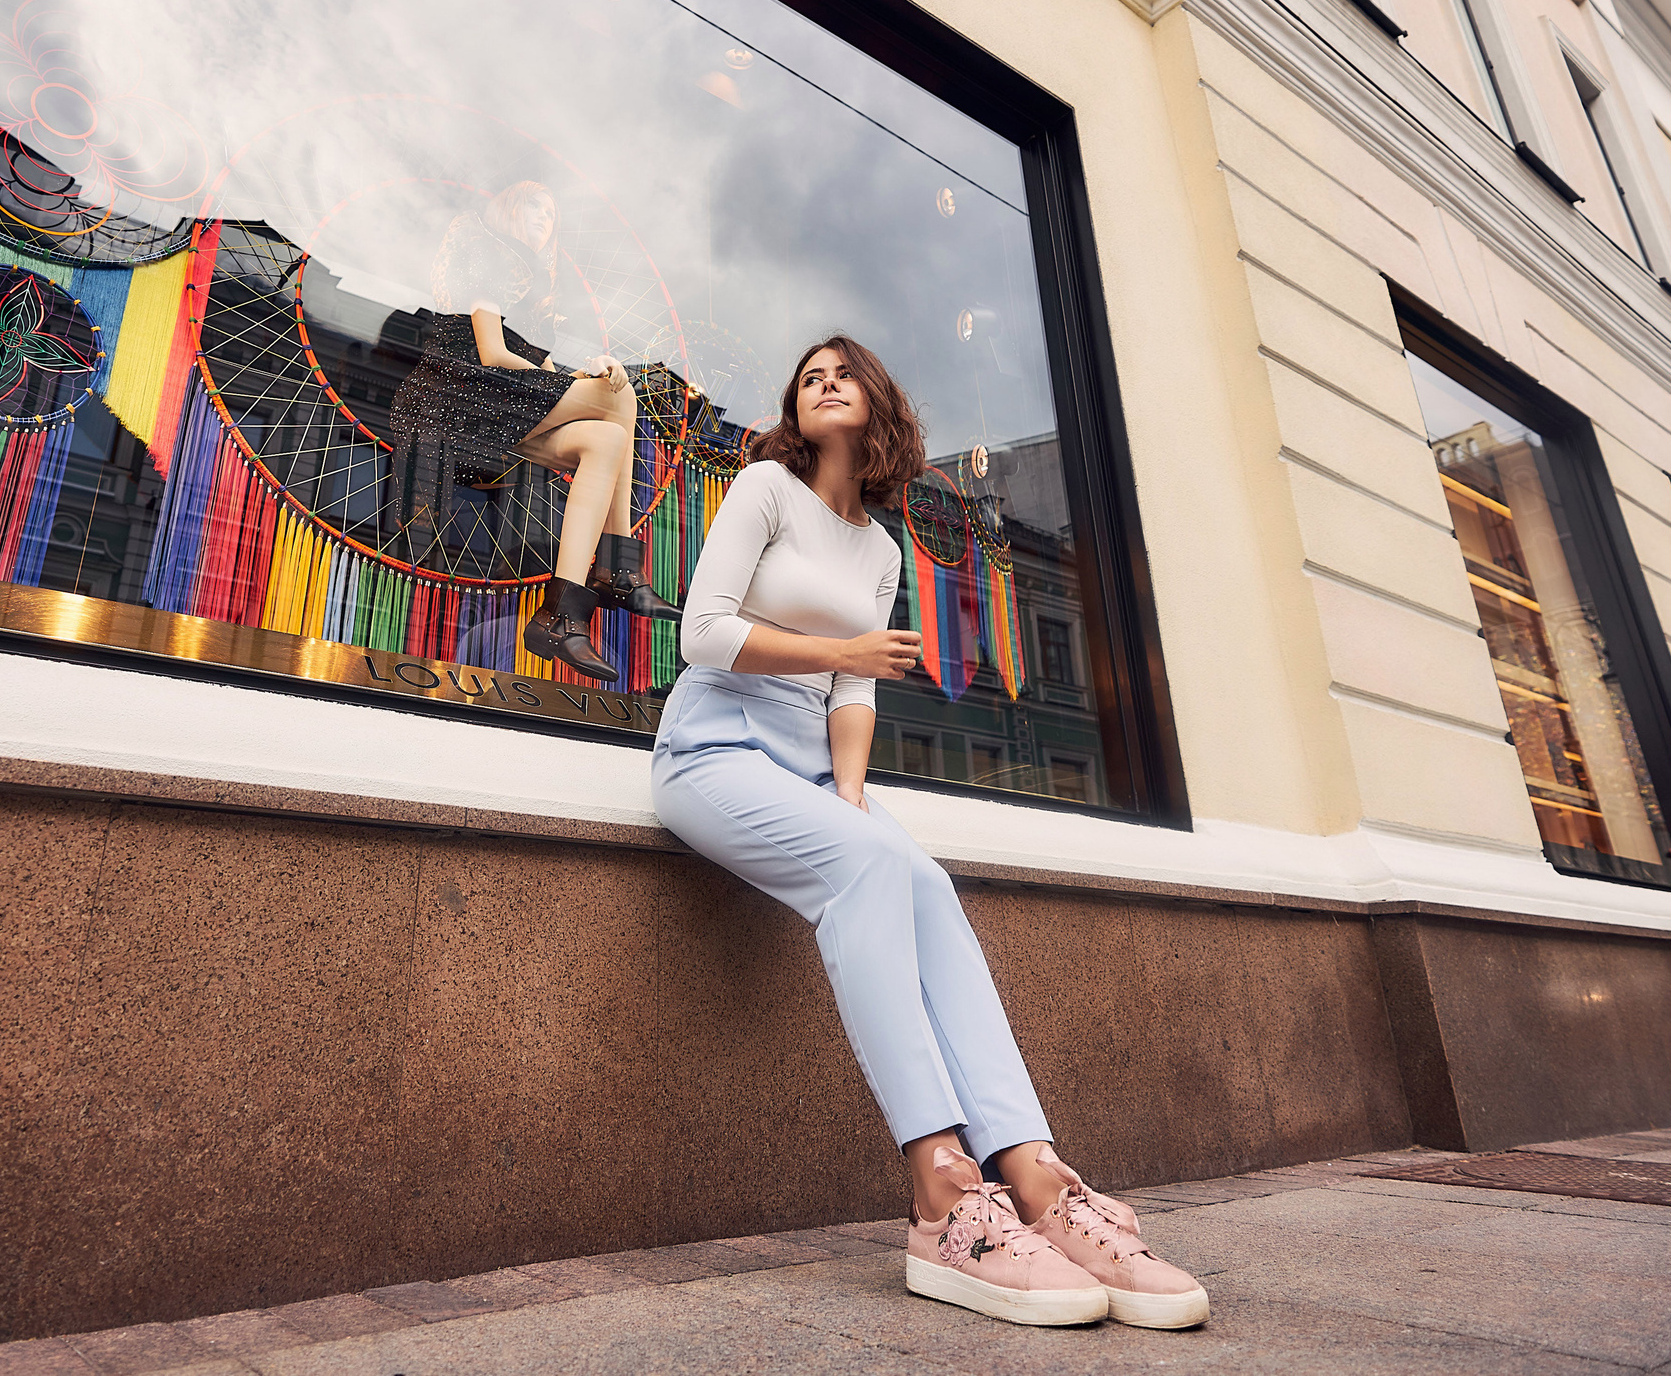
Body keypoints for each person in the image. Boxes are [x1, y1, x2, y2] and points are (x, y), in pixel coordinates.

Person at [650, 334, 1208, 1331]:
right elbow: (705, 633)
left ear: (876, 402)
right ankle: (943, 1193)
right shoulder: (766, 491)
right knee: (871, 864)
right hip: (714, 745)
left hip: (813, 762)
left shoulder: (880, 549)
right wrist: (846, 653)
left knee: (925, 881)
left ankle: (1036, 1177)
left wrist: (850, 795)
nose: (825, 383)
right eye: (809, 376)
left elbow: (854, 693)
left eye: (843, 373)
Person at [385, 180, 677, 679]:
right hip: (458, 396)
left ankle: (560, 617)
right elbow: (493, 355)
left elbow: (537, 369)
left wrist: (581, 374)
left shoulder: (533, 288)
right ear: (509, 209)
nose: (545, 217)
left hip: (503, 406)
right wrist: (575, 383)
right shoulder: (489, 256)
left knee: (608, 437)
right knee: (621, 395)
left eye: (552, 213)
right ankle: (618, 567)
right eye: (536, 206)